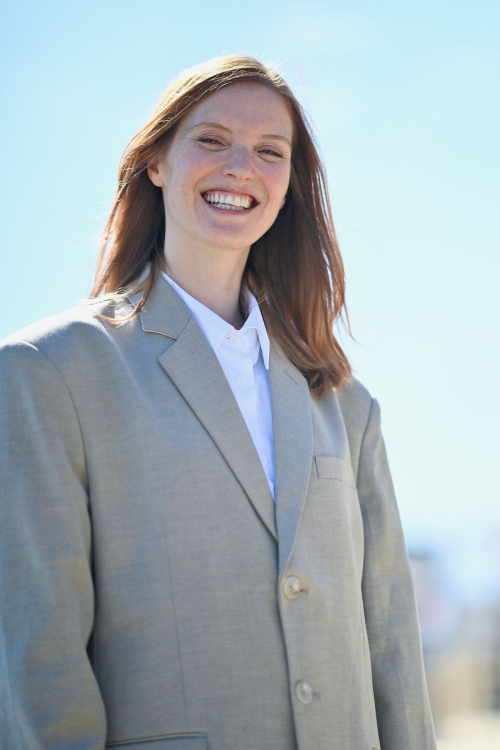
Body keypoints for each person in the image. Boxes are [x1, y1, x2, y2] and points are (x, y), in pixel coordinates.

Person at [0, 54, 437, 750]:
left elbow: (391, 649)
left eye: (270, 152)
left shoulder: (347, 407)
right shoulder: (50, 371)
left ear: (289, 184)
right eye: (211, 139)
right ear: (156, 162)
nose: (241, 167)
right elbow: (37, 652)